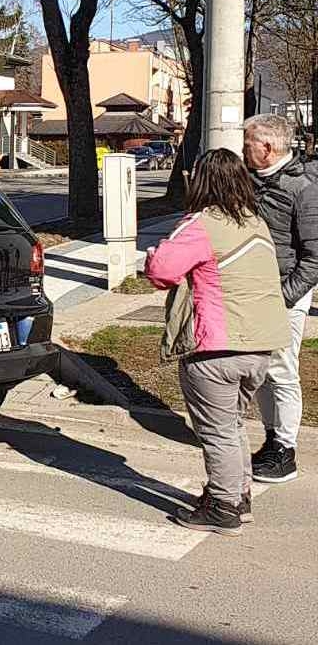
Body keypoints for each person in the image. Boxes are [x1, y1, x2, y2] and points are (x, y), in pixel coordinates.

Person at [145, 149, 289, 536]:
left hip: (216, 348)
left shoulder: (202, 224)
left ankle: (223, 508)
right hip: (260, 348)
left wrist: (152, 255)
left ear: (199, 181)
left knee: (217, 431)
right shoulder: (256, 224)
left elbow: (162, 271)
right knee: (232, 424)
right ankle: (238, 496)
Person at [242, 114, 318, 484]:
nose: (243, 150)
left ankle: (285, 451)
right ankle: (271, 441)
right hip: (255, 295)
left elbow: (314, 258)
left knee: (283, 371)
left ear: (268, 147)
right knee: (262, 372)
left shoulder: (302, 187)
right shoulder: (255, 181)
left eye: (248, 144)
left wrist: (284, 298)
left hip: (285, 296)